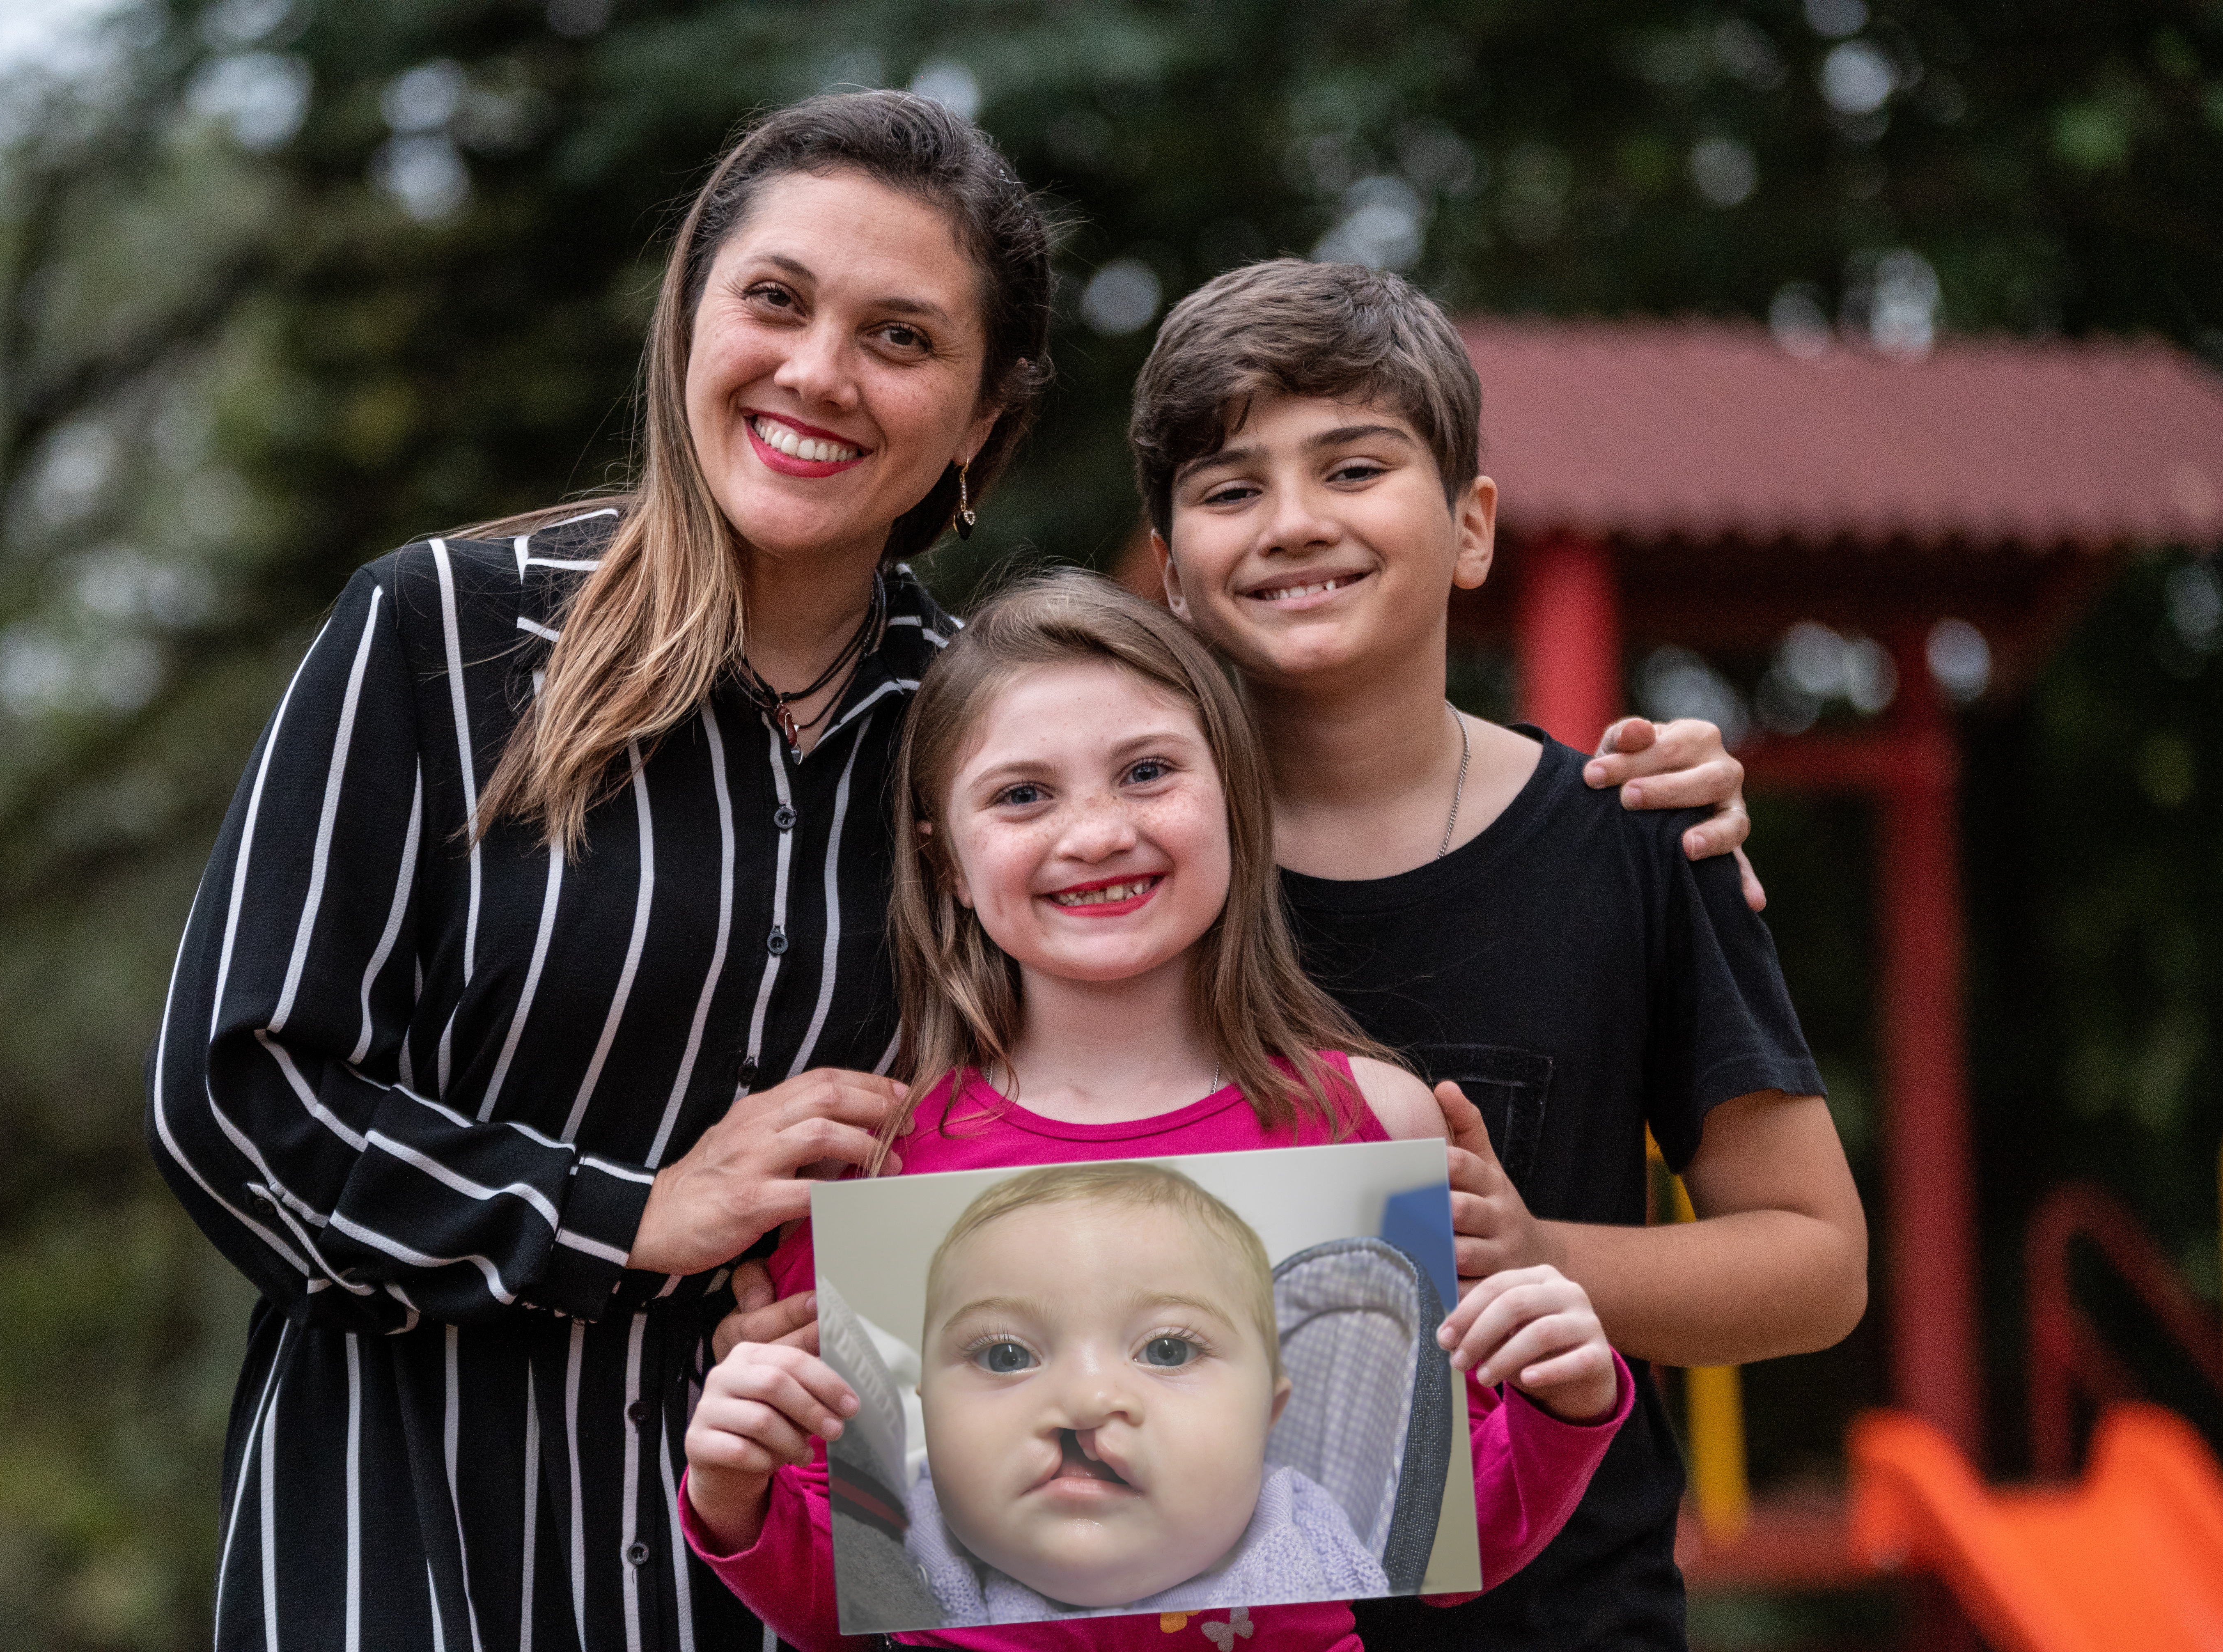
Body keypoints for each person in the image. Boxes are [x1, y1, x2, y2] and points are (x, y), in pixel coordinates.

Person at [145, 91, 1060, 1652]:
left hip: (804, 1583)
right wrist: (628, 1214)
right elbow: (234, 1097)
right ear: (687, 315)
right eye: (773, 299)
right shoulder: (441, 634)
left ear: (981, 421)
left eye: (900, 338)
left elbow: (1068, 1119)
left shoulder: (990, 735)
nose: (817, 372)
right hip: (408, 1551)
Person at [1131, 259, 1870, 1651]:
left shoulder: (1638, 842)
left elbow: (1815, 1265)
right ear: (1168, 570)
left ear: (1470, 526)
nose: (1291, 523)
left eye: (1352, 468)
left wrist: (1538, 1256)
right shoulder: (1112, 881)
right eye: (1230, 488)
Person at [680, 572, 1631, 1651]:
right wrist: (731, 1488)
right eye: (1022, 795)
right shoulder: (870, 1170)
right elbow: (838, 1594)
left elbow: (1436, 1540)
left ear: (1234, 797)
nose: (1094, 832)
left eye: (1146, 773)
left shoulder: (1374, 1121)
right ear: (943, 854)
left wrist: (1569, 1400)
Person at [912, 1164, 1384, 1620]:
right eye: (1006, 1356)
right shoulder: (885, 1539)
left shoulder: (1312, 1559)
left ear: (1267, 1414)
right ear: (926, 1407)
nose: (1086, 1400)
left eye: (1167, 1350)